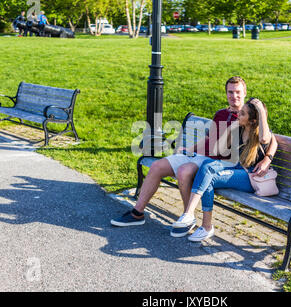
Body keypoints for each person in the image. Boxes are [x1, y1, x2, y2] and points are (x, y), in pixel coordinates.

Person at [111, 77, 277, 238]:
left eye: (238, 92)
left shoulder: (248, 119)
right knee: (156, 167)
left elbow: (271, 138)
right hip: (199, 155)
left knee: (184, 172)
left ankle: (187, 216)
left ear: (245, 92)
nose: (234, 96)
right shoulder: (221, 114)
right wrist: (187, 150)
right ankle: (137, 213)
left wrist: (267, 158)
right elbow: (209, 139)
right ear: (226, 93)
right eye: (230, 92)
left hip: (217, 162)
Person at [177, 98, 278, 242]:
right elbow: (220, 149)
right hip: (235, 167)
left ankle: (204, 225)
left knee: (209, 178)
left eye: (242, 114)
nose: (238, 115)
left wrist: (261, 110)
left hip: (250, 175)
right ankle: (191, 215)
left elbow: (264, 139)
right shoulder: (239, 129)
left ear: (252, 121)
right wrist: (231, 129)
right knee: (207, 165)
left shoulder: (262, 134)